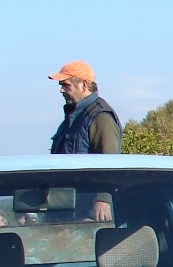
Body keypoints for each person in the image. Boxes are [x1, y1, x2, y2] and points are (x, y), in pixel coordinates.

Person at [48, 60, 122, 221]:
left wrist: (103, 199)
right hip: (67, 213)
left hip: (89, 214)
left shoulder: (100, 117)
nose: (61, 90)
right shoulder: (72, 120)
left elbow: (110, 162)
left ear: (84, 85)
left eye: (66, 85)